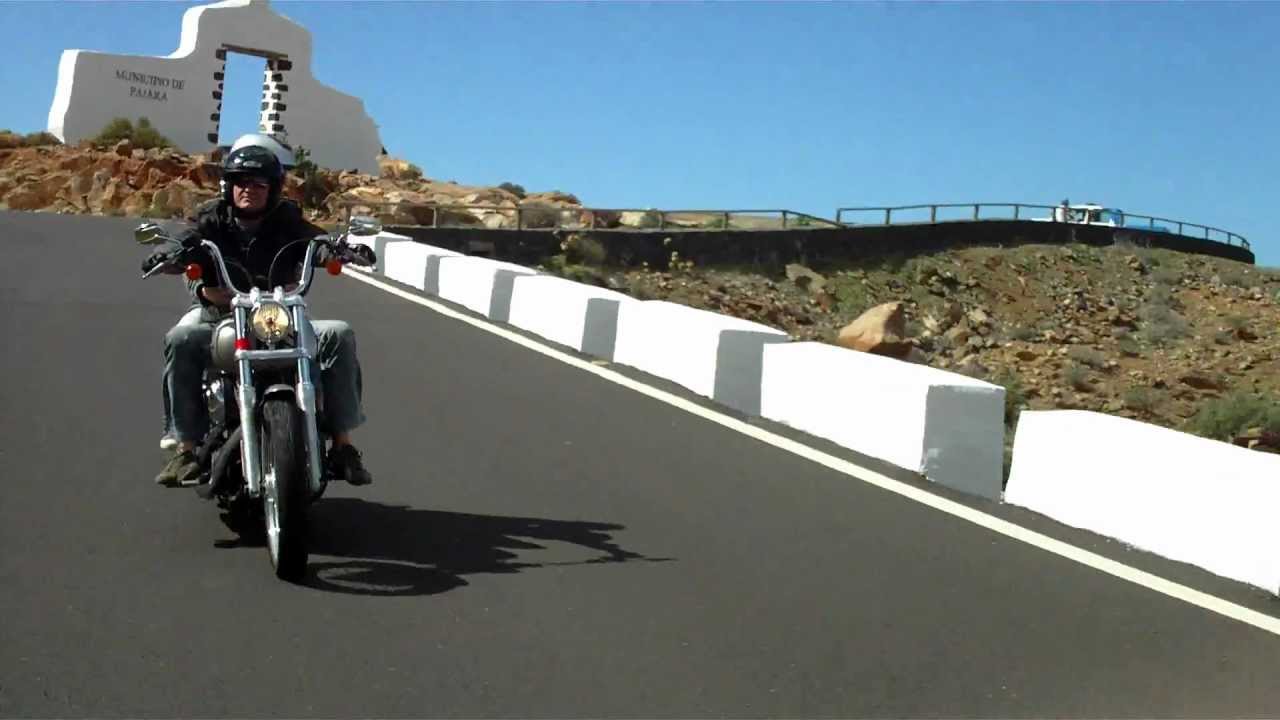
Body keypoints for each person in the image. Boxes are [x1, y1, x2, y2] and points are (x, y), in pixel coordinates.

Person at [154, 136, 373, 488]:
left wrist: (338, 250)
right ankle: (186, 449)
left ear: (273, 189)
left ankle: (343, 446)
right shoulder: (211, 218)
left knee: (339, 334)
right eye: (241, 182)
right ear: (229, 186)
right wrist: (172, 255)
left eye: (259, 184)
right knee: (181, 339)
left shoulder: (288, 219)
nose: (249, 190)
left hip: (278, 316)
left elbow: (316, 242)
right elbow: (187, 241)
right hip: (220, 315)